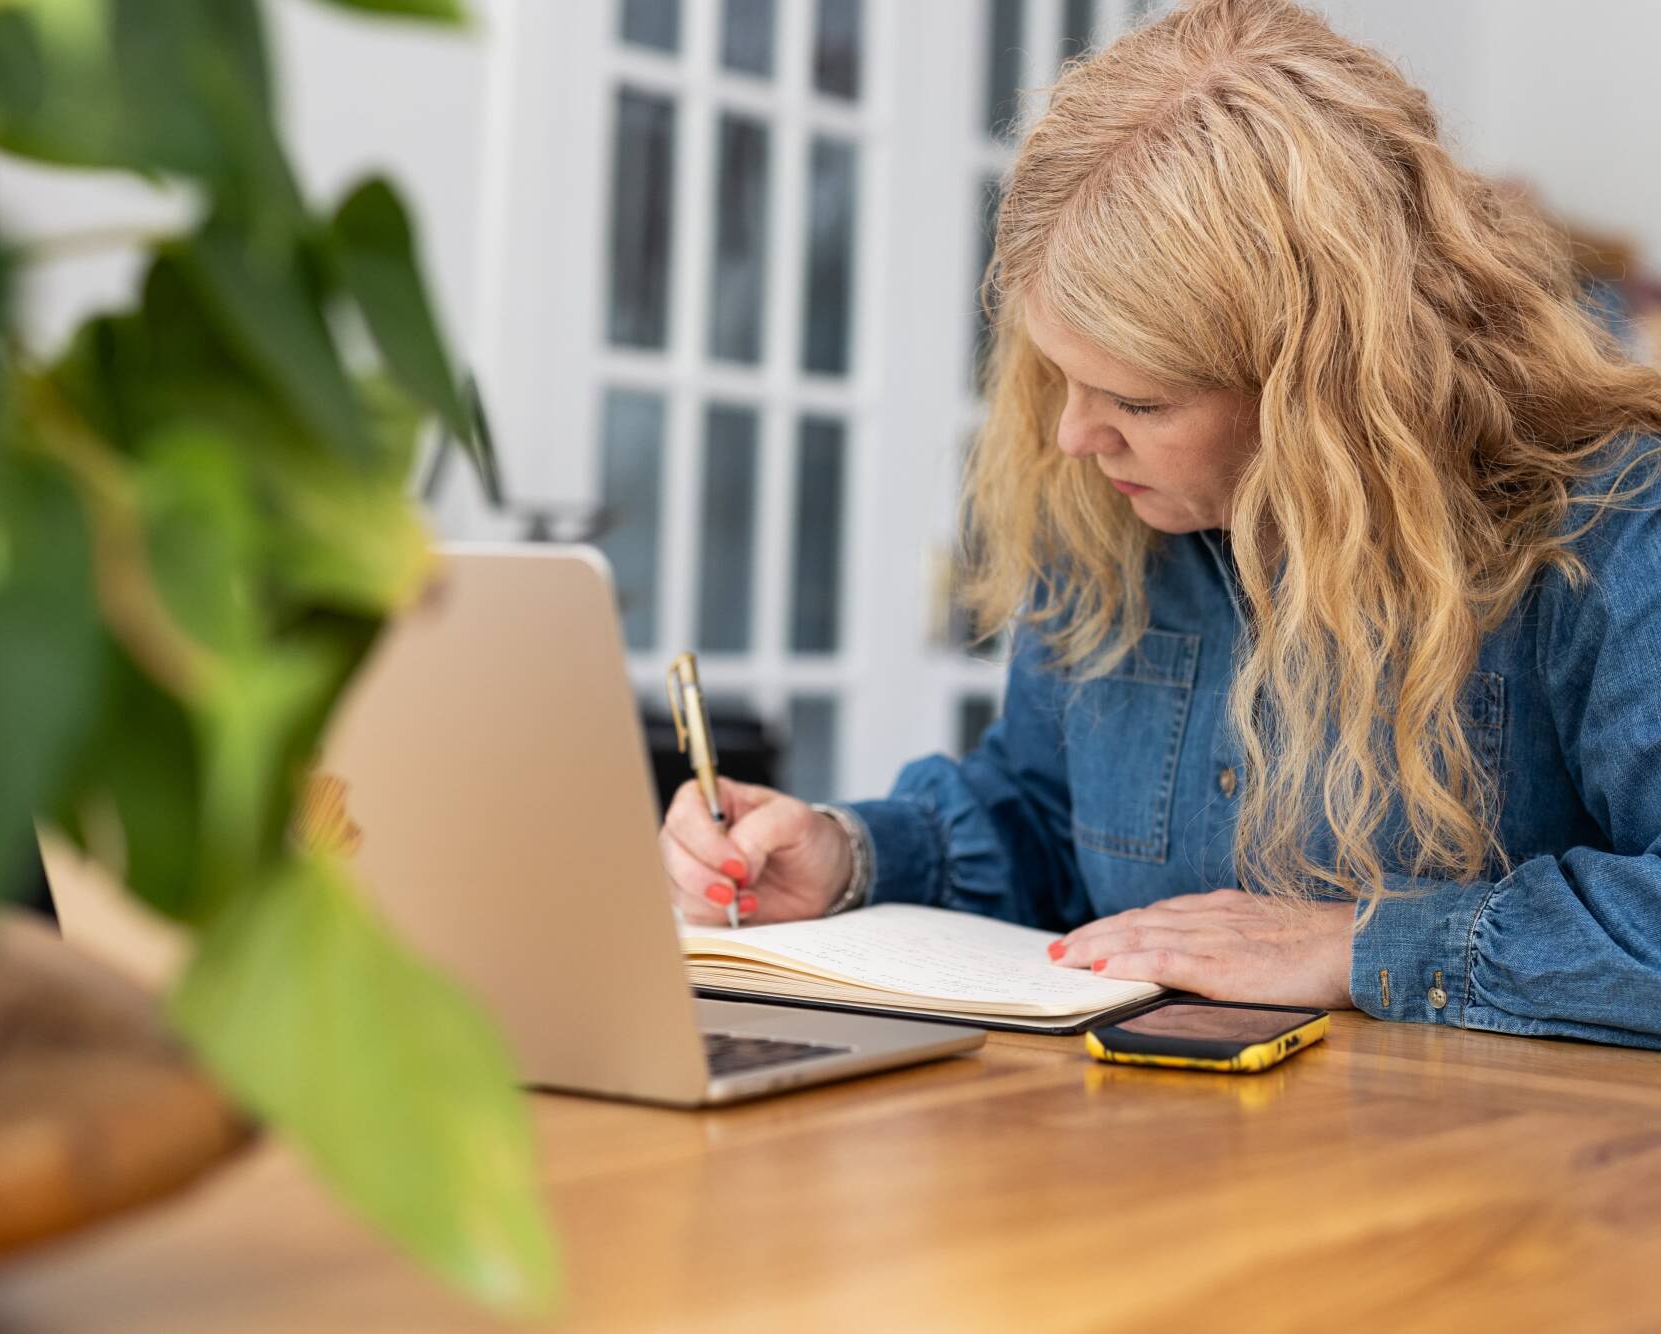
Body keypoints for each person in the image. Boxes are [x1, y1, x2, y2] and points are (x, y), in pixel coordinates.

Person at [659, 0, 1661, 1049]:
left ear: (1317, 394)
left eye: (1138, 402)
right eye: (1059, 375)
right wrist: (849, 852)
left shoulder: (1604, 514)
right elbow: (1048, 821)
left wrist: (1359, 945)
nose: (1071, 434)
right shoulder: (1112, 500)